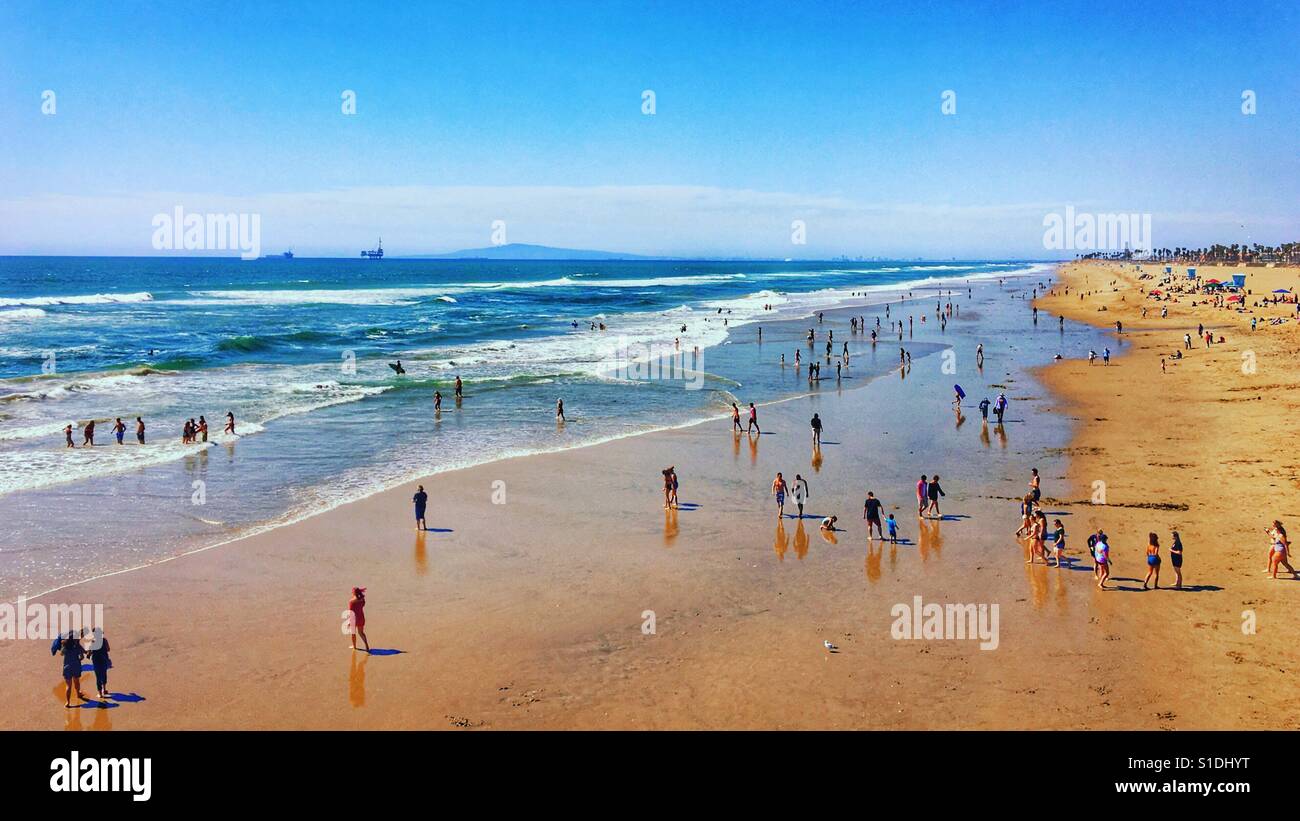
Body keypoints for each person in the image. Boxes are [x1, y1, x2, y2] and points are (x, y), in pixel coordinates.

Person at [52, 630, 86, 707]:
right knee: (76, 682)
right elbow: (82, 655)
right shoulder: (77, 647)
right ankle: (78, 694)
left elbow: (61, 654)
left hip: (67, 667)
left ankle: (67, 702)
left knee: (68, 686)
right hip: (76, 666)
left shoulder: (65, 647)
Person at [89, 628, 112, 700]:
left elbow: (90, 652)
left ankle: (99, 693)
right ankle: (104, 689)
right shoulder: (104, 640)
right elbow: (108, 649)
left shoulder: (93, 641)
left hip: (96, 661)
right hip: (104, 660)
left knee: (98, 677)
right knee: (104, 674)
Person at [348, 587, 370, 652]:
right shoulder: (362, 600)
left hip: (354, 619)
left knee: (353, 633)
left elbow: (351, 612)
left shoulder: (351, 601)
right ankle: (366, 646)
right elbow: (363, 605)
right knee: (361, 633)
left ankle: (354, 647)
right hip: (361, 618)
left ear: (354, 593)